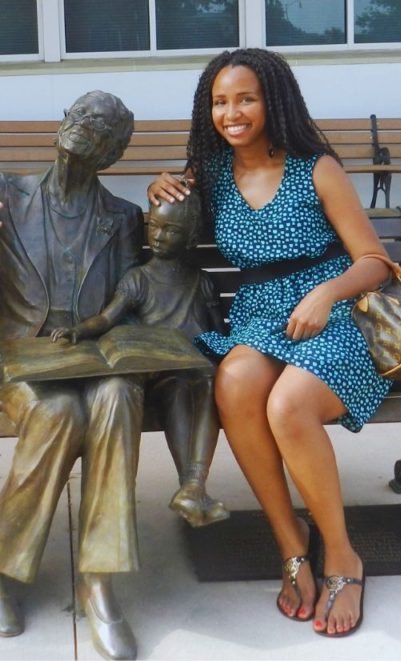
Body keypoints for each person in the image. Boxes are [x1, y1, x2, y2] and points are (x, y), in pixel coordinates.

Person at [148, 48, 391, 637]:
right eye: (220, 101)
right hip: (257, 318)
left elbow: (375, 262)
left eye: (245, 98)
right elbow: (161, 233)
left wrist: (325, 293)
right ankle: (291, 550)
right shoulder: (208, 175)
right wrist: (157, 185)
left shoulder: (316, 167)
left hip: (331, 315)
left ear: (272, 100)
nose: (232, 112)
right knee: (233, 381)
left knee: (287, 405)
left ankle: (341, 555)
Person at [0, 91, 144, 659]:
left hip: (93, 355)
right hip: (21, 359)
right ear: (62, 121)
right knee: (59, 413)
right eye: (80, 115)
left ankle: (99, 581)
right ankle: (5, 570)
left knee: (116, 397)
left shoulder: (125, 218)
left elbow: (135, 299)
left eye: (102, 127)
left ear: (112, 153)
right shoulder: (6, 197)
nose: (86, 128)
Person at [49, 189, 230, 528]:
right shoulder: (138, 279)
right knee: (181, 390)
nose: (159, 237)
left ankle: (194, 485)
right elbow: (107, 318)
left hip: (195, 368)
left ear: (190, 237)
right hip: (159, 372)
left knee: (205, 383)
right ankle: (192, 485)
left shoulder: (201, 281)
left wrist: (224, 357)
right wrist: (80, 331)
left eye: (171, 231)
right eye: (155, 227)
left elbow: (218, 330)